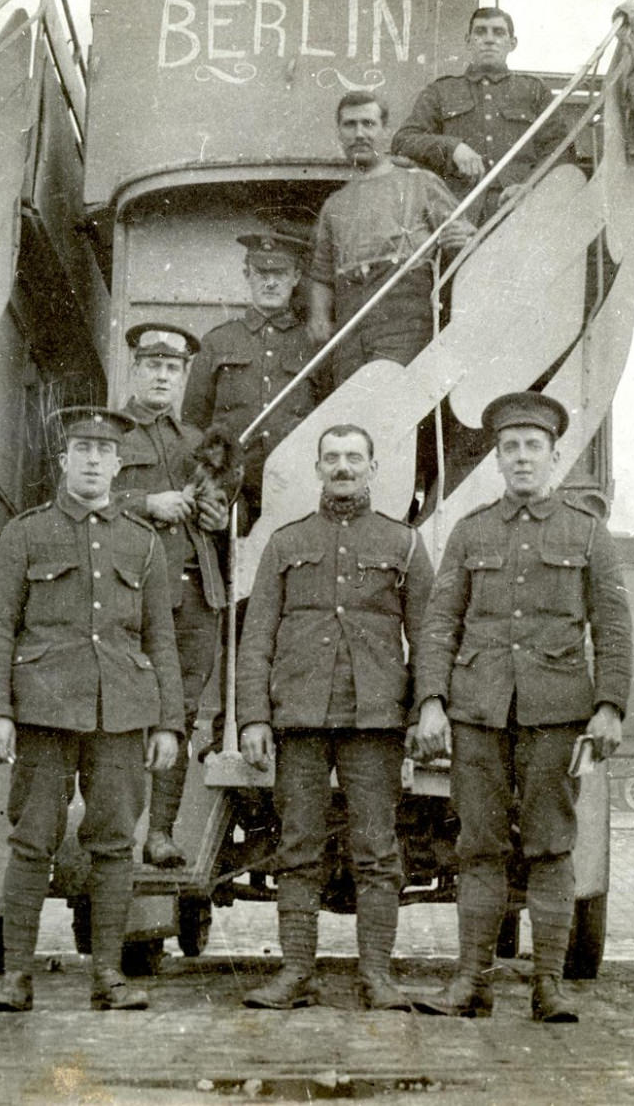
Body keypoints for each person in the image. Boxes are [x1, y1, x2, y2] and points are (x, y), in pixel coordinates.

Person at [412, 391, 631, 1023]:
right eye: (511, 448)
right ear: (499, 458)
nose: (522, 458)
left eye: (534, 446)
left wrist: (610, 706)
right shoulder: (471, 530)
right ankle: (469, 983)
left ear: (555, 455)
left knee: (551, 847)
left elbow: (613, 628)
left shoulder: (587, 532)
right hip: (477, 711)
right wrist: (431, 702)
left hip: (556, 713)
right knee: (478, 848)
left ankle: (549, 986)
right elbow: (438, 625)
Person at [0, 407, 185, 1013]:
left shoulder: (141, 542)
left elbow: (160, 639)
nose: (94, 459)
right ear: (63, 461)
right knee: (32, 840)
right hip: (43, 710)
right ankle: (16, 976)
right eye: (82, 449)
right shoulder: (25, 533)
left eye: (104, 450)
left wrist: (169, 722)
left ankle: (109, 976)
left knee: (116, 843)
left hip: (121, 714)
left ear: (119, 464)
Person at [235, 423, 434, 1010]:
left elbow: (426, 636)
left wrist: (428, 708)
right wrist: (253, 718)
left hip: (375, 719)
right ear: (318, 469)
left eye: (354, 457)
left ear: (373, 467)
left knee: (377, 852)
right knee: (297, 847)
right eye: (332, 458)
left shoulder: (404, 544)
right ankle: (295, 973)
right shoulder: (284, 542)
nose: (343, 467)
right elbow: (257, 639)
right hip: (297, 718)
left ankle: (377, 976)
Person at [113, 324, 234, 868]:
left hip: (194, 595)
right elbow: (79, 496)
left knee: (179, 715)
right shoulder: (109, 435)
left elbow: (218, 518)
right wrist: (146, 503)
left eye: (173, 368)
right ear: (135, 369)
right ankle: (116, 829)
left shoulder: (196, 442)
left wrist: (219, 514)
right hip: (130, 593)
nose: (162, 376)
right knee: (116, 714)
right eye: (152, 365)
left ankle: (159, 834)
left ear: (185, 376)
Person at [306, 91, 473, 385]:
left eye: (368, 124)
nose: (359, 133)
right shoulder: (335, 204)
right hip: (351, 327)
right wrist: (319, 316)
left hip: (405, 323)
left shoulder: (420, 182)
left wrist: (467, 240)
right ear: (339, 133)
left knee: (395, 404)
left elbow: (467, 242)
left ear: (385, 131)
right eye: (350, 125)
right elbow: (321, 274)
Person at [181, 230, 321, 527]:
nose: (270, 282)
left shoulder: (315, 345)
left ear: (296, 277)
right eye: (261, 273)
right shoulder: (218, 341)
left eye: (280, 273)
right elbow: (193, 422)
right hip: (232, 493)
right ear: (247, 274)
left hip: (297, 486)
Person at [391, 6, 571, 224]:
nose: (489, 40)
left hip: (523, 212)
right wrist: (453, 148)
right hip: (460, 215)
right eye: (480, 32)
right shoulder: (441, 91)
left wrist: (530, 186)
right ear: (468, 41)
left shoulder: (534, 90)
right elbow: (404, 140)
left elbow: (560, 149)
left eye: (498, 32)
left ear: (512, 43)